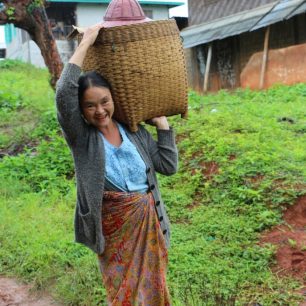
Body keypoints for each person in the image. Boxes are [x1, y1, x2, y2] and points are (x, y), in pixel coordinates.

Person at [55, 24, 178, 305]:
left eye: (104, 101)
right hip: (112, 232)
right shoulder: (82, 139)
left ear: (113, 99)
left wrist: (163, 128)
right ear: (81, 110)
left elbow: (168, 166)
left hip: (150, 225)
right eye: (89, 106)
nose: (99, 111)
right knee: (122, 295)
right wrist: (86, 43)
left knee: (154, 292)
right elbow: (64, 92)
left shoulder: (134, 132)